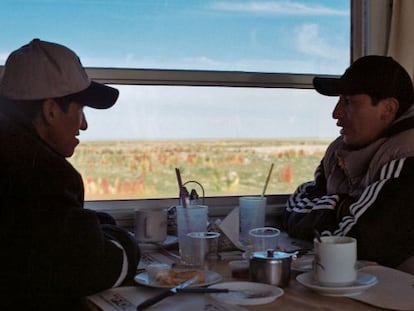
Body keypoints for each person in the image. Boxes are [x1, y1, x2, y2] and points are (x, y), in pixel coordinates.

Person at [0, 39, 140, 310]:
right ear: (51, 110)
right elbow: (94, 269)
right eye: (80, 110)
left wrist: (98, 226)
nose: (84, 125)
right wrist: (126, 241)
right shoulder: (40, 171)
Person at [282, 55, 414, 273]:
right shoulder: (339, 153)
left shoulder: (407, 156)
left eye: (348, 102)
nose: (336, 113)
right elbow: (294, 205)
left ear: (388, 109)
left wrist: (332, 208)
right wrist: (341, 205)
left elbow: (361, 243)